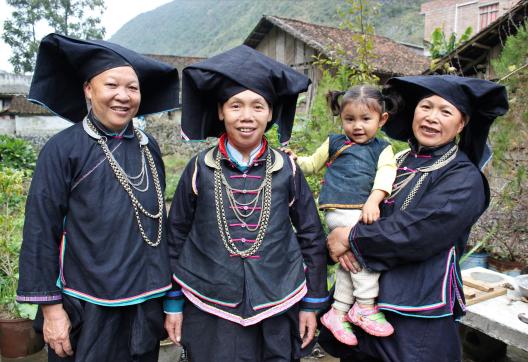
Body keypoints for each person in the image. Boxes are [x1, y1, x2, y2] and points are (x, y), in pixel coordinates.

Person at [322, 75, 508, 362]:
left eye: (445, 111)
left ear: (461, 124)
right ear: (413, 114)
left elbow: (420, 230)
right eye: (426, 107)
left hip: (417, 309)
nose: (432, 118)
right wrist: (339, 237)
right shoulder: (397, 161)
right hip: (367, 301)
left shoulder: (463, 177)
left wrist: (350, 238)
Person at [16, 33, 179, 361]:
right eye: (111, 85)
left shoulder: (150, 148)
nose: (123, 96)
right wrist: (51, 311)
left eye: (132, 88)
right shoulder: (63, 150)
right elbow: (40, 232)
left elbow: (159, 227)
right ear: (88, 90)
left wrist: (171, 302)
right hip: (87, 304)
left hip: (144, 304)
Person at [164, 45, 329, 361]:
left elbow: (311, 236)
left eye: (257, 106)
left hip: (279, 299)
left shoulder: (287, 169)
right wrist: (173, 302)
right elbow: (176, 237)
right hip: (208, 299)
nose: (246, 116)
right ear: (220, 111)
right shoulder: (199, 168)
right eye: (235, 105)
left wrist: (311, 304)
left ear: (270, 113)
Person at [286, 86, 397, 345]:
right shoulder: (334, 142)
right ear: (341, 118)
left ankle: (338, 312)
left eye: (366, 119)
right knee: (366, 254)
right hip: (341, 212)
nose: (357, 126)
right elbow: (312, 165)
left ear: (382, 120)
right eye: (350, 119)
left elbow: (386, 174)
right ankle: (366, 306)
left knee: (349, 264)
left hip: (365, 209)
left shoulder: (382, 148)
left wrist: (374, 200)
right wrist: (295, 159)